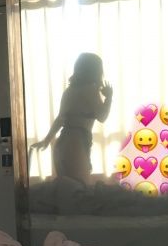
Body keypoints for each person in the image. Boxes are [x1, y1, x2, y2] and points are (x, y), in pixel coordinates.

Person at [30, 52, 112, 186]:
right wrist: (109, 97)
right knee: (80, 190)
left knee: (67, 190)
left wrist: (46, 141)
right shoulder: (90, 90)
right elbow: (102, 117)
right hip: (77, 142)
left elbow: (60, 119)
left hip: (63, 143)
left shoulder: (69, 91)